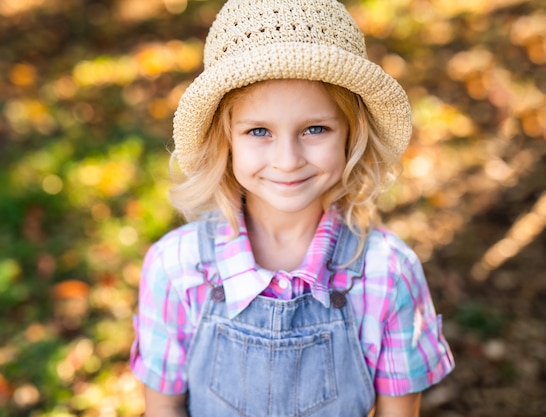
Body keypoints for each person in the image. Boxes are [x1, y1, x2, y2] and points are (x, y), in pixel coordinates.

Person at [130, 0, 455, 416]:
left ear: (350, 135)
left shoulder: (388, 274)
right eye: (259, 131)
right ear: (225, 140)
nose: (287, 159)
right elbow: (164, 408)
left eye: (314, 129)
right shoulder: (177, 267)